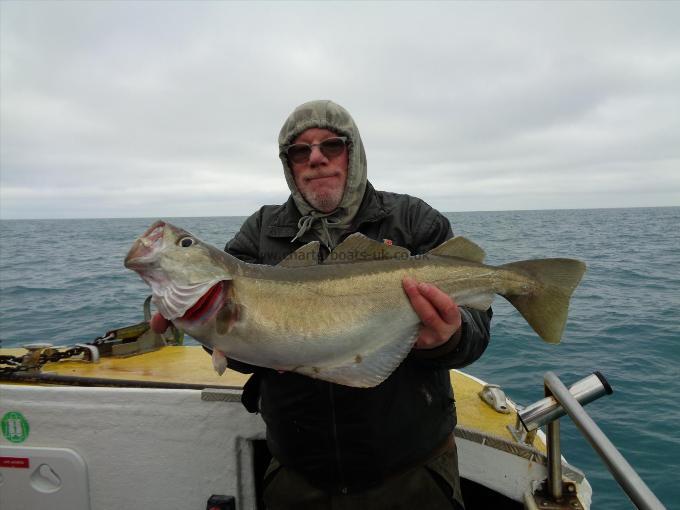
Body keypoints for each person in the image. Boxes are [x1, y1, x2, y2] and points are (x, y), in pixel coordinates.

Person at [153, 100, 491, 509]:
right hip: (298, 469)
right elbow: (240, 353)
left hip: (411, 467)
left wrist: (449, 338)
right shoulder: (260, 232)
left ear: (355, 152)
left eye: (331, 146)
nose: (315, 159)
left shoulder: (412, 219)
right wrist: (206, 326)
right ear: (289, 164)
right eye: (300, 151)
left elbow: (476, 330)